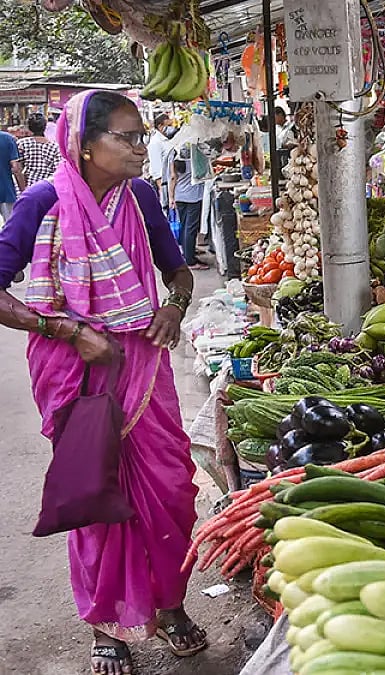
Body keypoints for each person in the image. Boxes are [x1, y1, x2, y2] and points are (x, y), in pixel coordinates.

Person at [0, 90, 206, 674]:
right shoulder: (42, 202)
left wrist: (176, 306)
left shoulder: (139, 197)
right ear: (85, 146)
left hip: (142, 363)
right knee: (95, 491)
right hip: (75, 372)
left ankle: (169, 605)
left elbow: (178, 268)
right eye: (128, 137)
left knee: (169, 489)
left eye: (142, 135)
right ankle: (106, 623)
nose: (143, 147)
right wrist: (64, 329)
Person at [168, 142, 208, 270]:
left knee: (185, 226)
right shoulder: (194, 152)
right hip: (193, 196)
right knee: (190, 228)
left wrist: (171, 197)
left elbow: (173, 177)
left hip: (180, 195)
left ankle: (187, 255)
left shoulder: (173, 153)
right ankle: (191, 261)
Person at [16, 113, 63, 187]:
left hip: (29, 186)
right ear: (45, 127)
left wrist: (22, 188)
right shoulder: (54, 146)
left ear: (29, 127)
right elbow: (58, 171)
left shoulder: (22, 143)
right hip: (47, 188)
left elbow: (17, 168)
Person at [0, 128, 27, 222]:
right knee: (10, 225)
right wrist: (23, 190)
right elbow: (16, 168)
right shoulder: (7, 138)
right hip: (5, 191)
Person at [145, 113, 172, 204]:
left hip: (169, 182)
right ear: (160, 126)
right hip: (163, 183)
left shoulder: (165, 139)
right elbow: (156, 168)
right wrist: (162, 189)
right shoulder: (155, 143)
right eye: (168, 126)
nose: (171, 128)